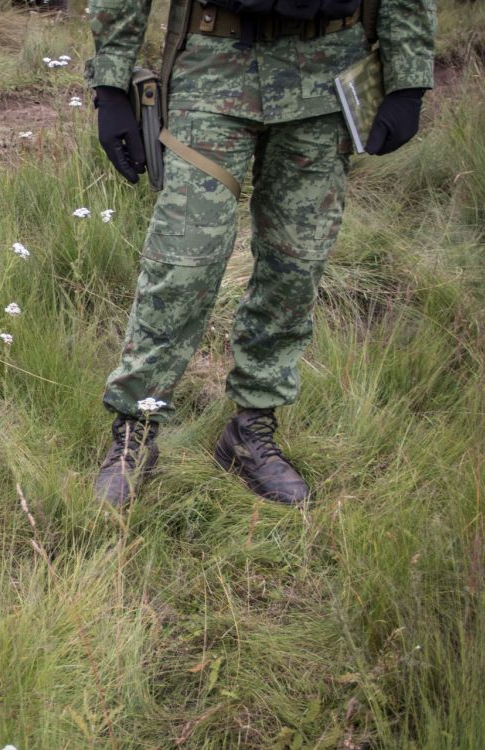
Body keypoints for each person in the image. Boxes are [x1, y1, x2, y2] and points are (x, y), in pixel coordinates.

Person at [86, 0, 435, 507]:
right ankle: (135, 430)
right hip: (213, 69)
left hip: (326, 76)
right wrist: (110, 84)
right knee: (183, 263)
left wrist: (408, 78)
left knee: (295, 264)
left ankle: (251, 431)